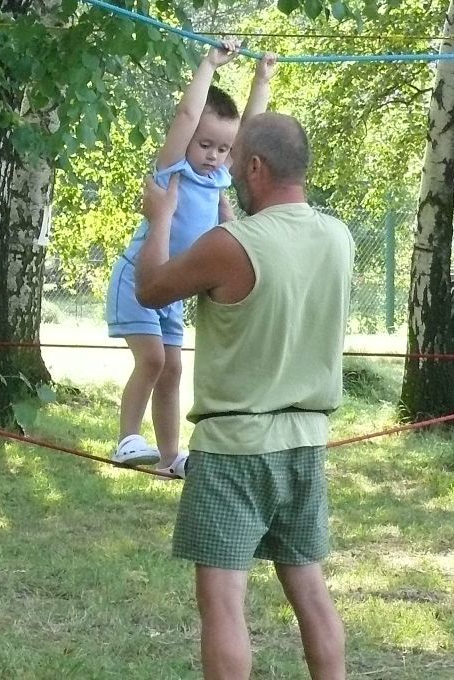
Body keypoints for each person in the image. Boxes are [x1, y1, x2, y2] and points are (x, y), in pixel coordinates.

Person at [134, 112, 351, 679]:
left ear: (255, 166)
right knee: (309, 588)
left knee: (224, 602)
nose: (226, 172)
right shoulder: (338, 237)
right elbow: (276, 265)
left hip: (234, 449)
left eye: (233, 164)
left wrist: (161, 219)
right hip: (306, 442)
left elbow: (151, 288)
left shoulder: (230, 245)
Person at [106, 41, 278, 476]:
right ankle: (127, 440)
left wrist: (262, 80)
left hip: (171, 289)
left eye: (222, 149)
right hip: (137, 280)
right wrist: (209, 64)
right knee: (153, 361)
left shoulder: (218, 177)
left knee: (173, 369)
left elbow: (249, 131)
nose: (213, 155)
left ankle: (169, 458)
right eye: (204, 144)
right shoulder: (173, 170)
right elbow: (186, 115)